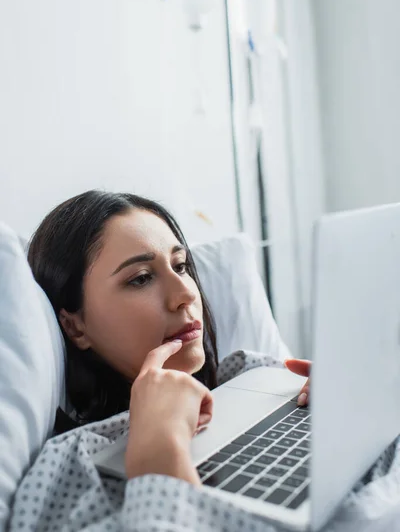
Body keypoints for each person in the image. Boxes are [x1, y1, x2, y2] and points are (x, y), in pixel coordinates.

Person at [27, 189, 311, 486]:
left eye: (180, 266)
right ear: (75, 327)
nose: (187, 294)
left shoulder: (250, 375)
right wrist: (158, 450)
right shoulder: (68, 469)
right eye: (140, 278)